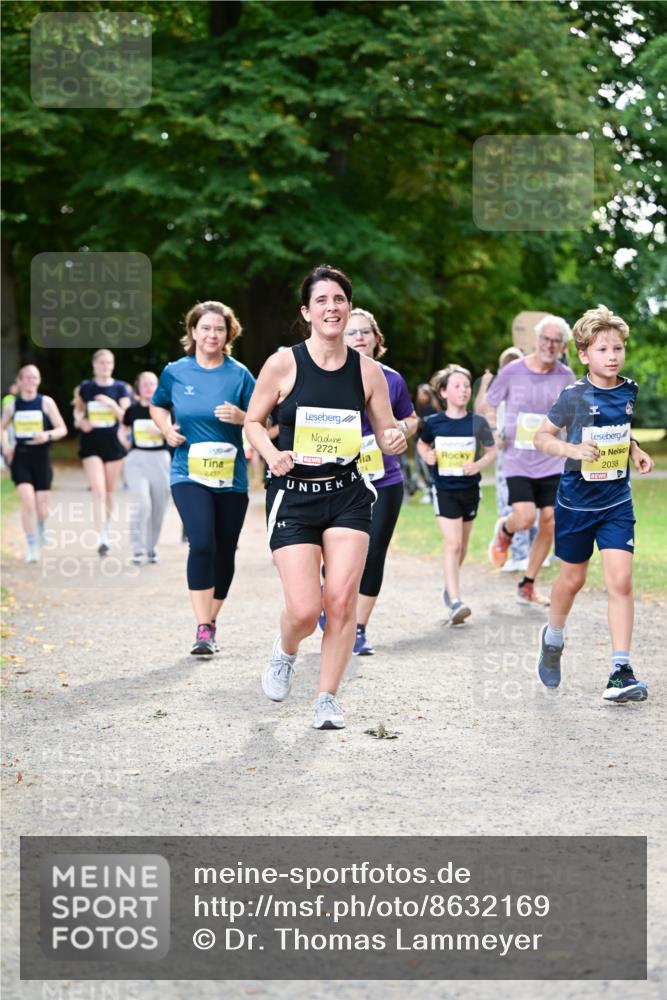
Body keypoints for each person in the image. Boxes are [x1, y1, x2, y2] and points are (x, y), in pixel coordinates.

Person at [244, 264, 407, 730]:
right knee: (303, 608)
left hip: (347, 495)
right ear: (307, 311)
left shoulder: (368, 371)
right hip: (293, 495)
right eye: (322, 301)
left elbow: (386, 428)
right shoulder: (284, 364)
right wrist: (272, 453)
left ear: (349, 307)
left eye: (339, 299)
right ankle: (285, 650)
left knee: (340, 602)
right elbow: (253, 422)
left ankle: (327, 697)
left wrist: (395, 438)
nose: (332, 308)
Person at [533, 304, 654, 702]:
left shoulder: (629, 389)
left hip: (617, 501)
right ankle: (553, 639)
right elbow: (542, 438)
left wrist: (634, 449)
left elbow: (620, 430)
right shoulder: (572, 395)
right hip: (576, 504)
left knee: (621, 580)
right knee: (574, 579)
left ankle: (621, 669)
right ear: (584, 354)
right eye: (603, 349)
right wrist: (572, 448)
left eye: (618, 348)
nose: (613, 356)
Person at [150, 300, 255, 656]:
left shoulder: (240, 374)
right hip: (188, 472)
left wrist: (242, 417)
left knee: (225, 549)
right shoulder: (175, 372)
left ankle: (210, 622)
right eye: (206, 328)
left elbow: (265, 420)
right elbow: (158, 404)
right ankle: (201, 627)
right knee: (202, 542)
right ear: (193, 331)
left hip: (231, 478)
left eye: (219, 329)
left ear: (229, 334)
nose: (212, 334)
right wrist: (166, 428)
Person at [326, 307, 418, 655]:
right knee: (337, 553)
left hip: (384, 478)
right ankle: (329, 603)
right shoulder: (328, 375)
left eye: (365, 332)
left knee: (374, 551)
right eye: (352, 332)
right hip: (339, 478)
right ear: (339, 336)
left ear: (377, 339)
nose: (359, 338)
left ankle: (359, 628)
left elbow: (410, 418)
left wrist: (400, 430)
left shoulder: (391, 378)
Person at [485, 315, 574, 606]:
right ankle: (506, 529)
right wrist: (495, 431)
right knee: (524, 517)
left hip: (551, 459)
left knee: (549, 519)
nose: (549, 345)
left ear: (563, 347)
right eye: (545, 339)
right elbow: (490, 403)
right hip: (519, 459)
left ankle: (528, 583)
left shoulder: (565, 377)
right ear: (537, 340)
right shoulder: (512, 371)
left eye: (556, 341)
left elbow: (573, 417)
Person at [418, 365, 496, 623]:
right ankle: (455, 600)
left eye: (466, 386)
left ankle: (449, 589)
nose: (463, 390)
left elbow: (492, 451)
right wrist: (427, 455)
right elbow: (422, 444)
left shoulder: (478, 422)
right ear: (443, 392)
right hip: (444, 489)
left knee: (461, 546)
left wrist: (478, 465)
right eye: (457, 386)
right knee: (452, 543)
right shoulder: (433, 423)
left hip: (470, 490)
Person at [475, 346, 537, 572]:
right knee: (509, 504)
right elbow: (481, 409)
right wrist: (485, 383)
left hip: (532, 455)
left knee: (534, 506)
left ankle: (529, 552)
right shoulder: (500, 389)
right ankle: (519, 553)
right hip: (508, 454)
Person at [1, 365, 68, 562]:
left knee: (41, 508)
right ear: (20, 381)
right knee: (27, 502)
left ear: (39, 381)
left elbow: (62, 429)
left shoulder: (46, 403)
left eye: (35, 378)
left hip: (42, 457)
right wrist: (6, 445)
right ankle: (31, 546)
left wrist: (46, 435)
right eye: (27, 378)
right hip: (21, 457)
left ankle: (41, 526)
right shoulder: (12, 406)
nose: (31, 381)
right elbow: (2, 428)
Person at [73, 349, 130, 556]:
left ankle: (107, 528)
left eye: (109, 363)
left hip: (113, 443)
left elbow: (126, 416)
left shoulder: (120, 388)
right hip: (91, 443)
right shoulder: (86, 387)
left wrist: (112, 405)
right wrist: (80, 422)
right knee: (97, 491)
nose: (105, 366)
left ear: (113, 366)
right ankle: (101, 538)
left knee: (107, 492)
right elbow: (78, 410)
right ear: (94, 365)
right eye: (102, 363)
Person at [120, 372, 171, 565]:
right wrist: (123, 440)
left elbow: (176, 432)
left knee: (158, 506)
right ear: (138, 388)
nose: (149, 387)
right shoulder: (132, 410)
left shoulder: (165, 409)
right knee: (142, 504)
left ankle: (151, 547)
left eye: (152, 384)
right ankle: (137, 549)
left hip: (160, 460)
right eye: (145, 384)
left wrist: (161, 430)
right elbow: (123, 429)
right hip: (137, 460)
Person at [415, 383, 441, 502]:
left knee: (428, 468)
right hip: (421, 443)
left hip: (429, 444)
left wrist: (419, 422)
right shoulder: (421, 410)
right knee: (423, 468)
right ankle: (429, 491)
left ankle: (432, 492)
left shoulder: (431, 410)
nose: (420, 396)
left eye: (423, 394)